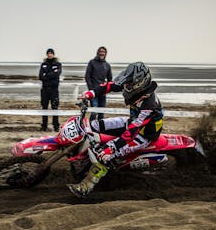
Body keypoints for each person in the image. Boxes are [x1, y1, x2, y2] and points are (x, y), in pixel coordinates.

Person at [67, 62, 164, 197]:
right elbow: (110, 85)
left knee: (103, 154)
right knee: (93, 126)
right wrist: (91, 93)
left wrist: (111, 149)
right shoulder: (133, 87)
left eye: (129, 85)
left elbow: (132, 132)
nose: (127, 87)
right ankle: (82, 159)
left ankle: (86, 187)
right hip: (131, 123)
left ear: (140, 83)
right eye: (127, 84)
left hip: (143, 135)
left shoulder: (149, 104)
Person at [85, 46, 112, 121]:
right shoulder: (92, 62)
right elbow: (87, 76)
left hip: (103, 91)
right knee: (94, 111)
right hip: (94, 91)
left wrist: (107, 89)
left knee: (101, 112)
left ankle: (100, 129)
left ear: (105, 53)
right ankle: (91, 126)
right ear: (98, 52)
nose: (102, 53)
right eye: (100, 52)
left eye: (103, 52)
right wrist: (91, 88)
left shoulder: (107, 65)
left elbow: (110, 79)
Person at [38, 48, 62, 131]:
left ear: (53, 54)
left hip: (54, 90)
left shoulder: (58, 64)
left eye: (51, 53)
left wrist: (46, 75)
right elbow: (40, 76)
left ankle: (56, 126)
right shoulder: (43, 64)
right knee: (44, 108)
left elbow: (57, 74)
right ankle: (44, 126)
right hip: (45, 90)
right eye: (48, 53)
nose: (50, 54)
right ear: (47, 54)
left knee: (55, 108)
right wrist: (51, 74)